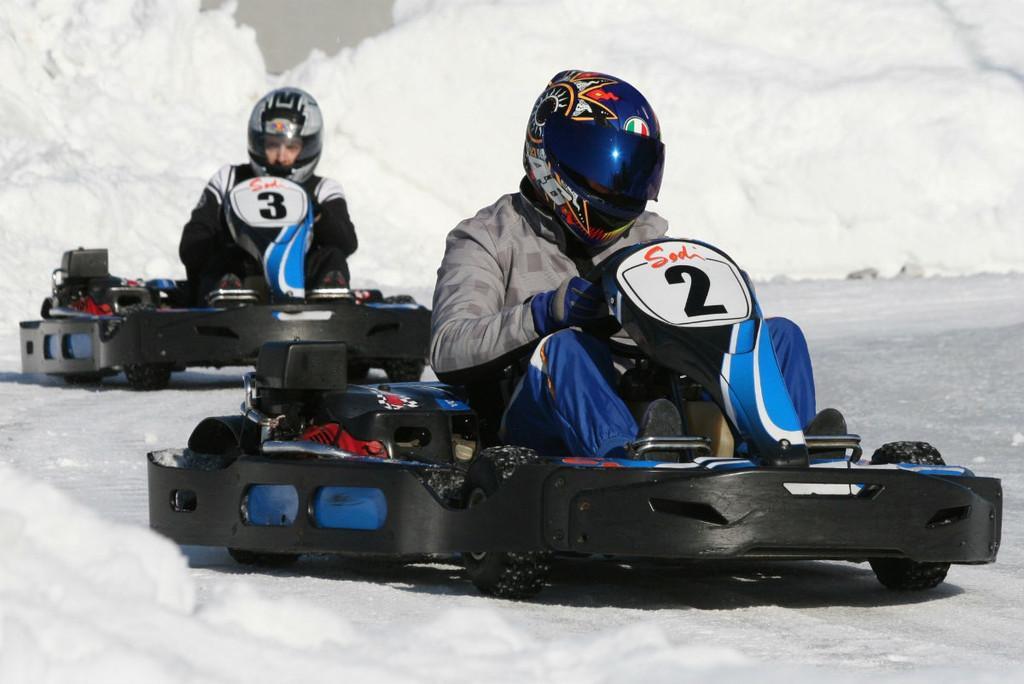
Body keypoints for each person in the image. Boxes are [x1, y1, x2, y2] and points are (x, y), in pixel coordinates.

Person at [430, 70, 836, 460]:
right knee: (566, 347)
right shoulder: (486, 238)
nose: (618, 185)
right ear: (550, 157)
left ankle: (790, 455)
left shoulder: (647, 239)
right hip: (533, 426)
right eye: (604, 169)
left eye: (630, 170)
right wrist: (543, 312)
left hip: (653, 411)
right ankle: (624, 461)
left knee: (779, 334)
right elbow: (449, 347)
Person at [179, 87, 357, 303]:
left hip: (301, 280)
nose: (281, 157)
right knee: (223, 259)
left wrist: (317, 214)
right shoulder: (228, 179)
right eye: (273, 145)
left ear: (307, 147)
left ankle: (330, 304)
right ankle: (228, 299)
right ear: (259, 142)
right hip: (241, 276)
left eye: (291, 147)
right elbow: (191, 245)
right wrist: (230, 226)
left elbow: (347, 243)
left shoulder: (323, 189)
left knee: (332, 257)